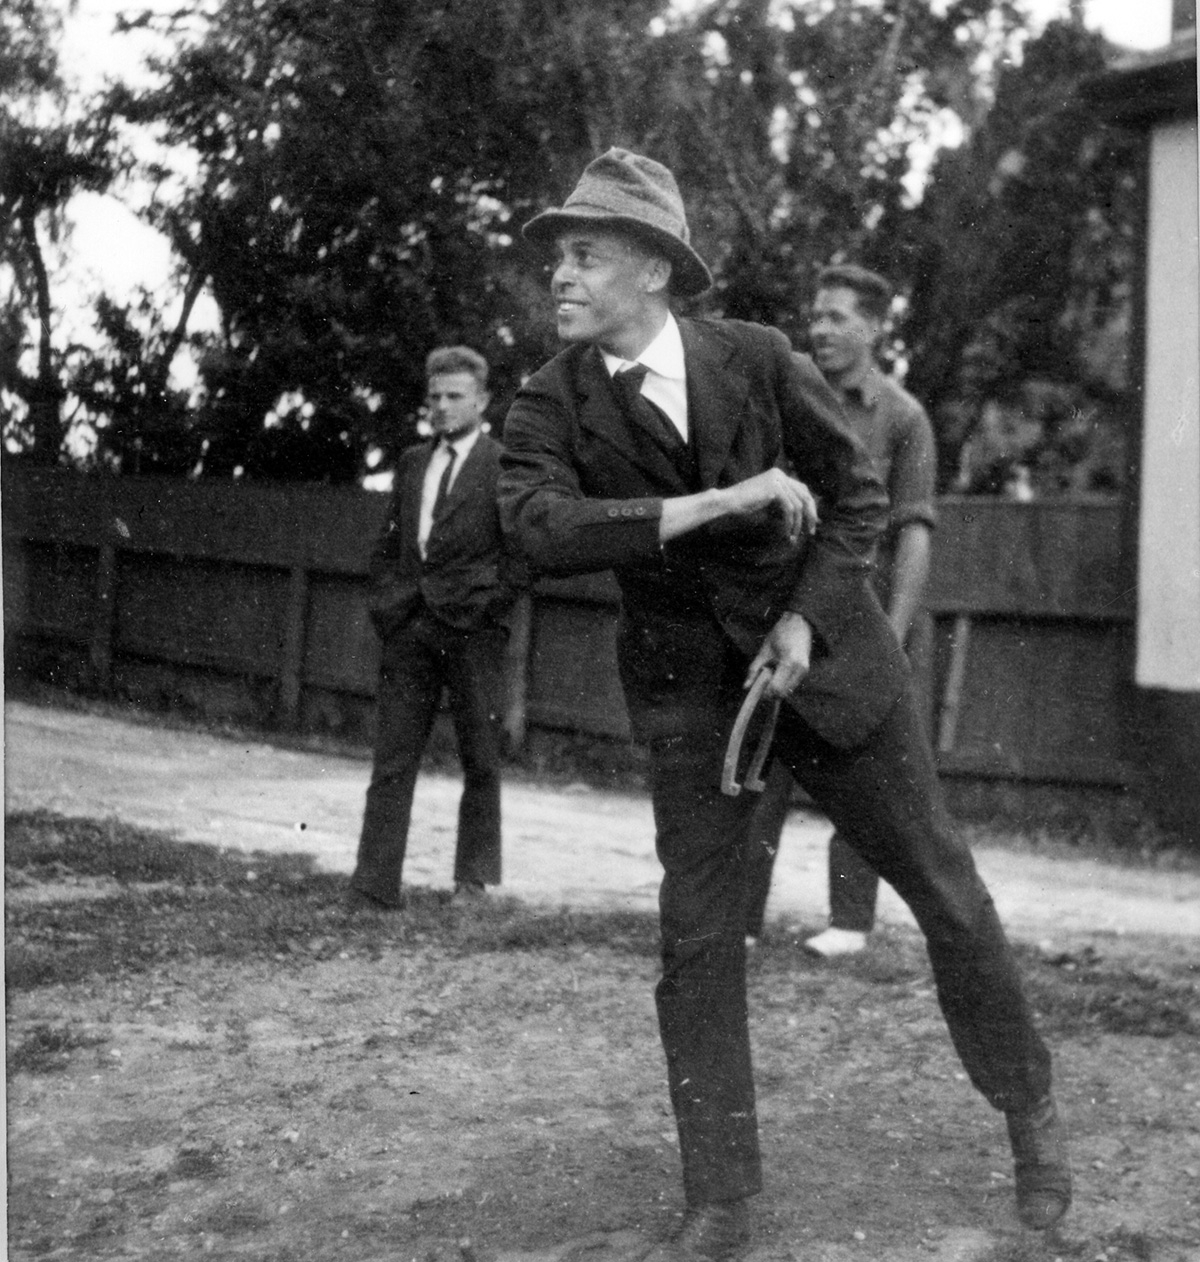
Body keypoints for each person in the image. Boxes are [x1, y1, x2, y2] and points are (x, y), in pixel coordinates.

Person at [498, 149, 1070, 1259]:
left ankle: (1031, 1110)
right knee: (698, 940)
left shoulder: (756, 360)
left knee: (947, 895)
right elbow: (539, 528)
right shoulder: (547, 401)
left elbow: (857, 496)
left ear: (655, 269)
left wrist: (806, 620)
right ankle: (724, 1195)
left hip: (837, 671)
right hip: (695, 709)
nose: (558, 277)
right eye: (556, 257)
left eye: (582, 254)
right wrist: (717, 499)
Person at [742, 264, 938, 958]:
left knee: (860, 772)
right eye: (815, 316)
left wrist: (894, 632)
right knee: (763, 764)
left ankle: (850, 923)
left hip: (859, 622)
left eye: (835, 318)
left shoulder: (903, 417)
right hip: (791, 610)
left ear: (874, 328)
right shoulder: (796, 398)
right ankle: (739, 921)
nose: (818, 329)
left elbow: (912, 532)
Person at [347, 345, 521, 911]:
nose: (443, 408)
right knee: (392, 757)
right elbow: (390, 542)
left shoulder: (504, 465)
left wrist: (490, 606)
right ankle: (374, 886)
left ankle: (472, 883)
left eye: (455, 397)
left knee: (480, 755)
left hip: (473, 629)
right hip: (411, 626)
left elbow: (521, 553)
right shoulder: (413, 462)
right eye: (435, 398)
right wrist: (388, 604)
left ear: (482, 400)